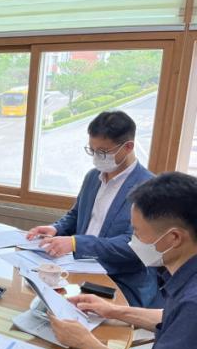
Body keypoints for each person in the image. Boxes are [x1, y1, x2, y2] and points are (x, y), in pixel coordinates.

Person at [43, 172, 197, 349]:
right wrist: (114, 310)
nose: (133, 241)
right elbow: (171, 317)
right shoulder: (188, 274)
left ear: (174, 237)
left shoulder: (193, 299)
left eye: (137, 233)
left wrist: (86, 342)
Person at [27, 111, 157, 307]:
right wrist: (56, 228)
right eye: (92, 150)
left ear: (128, 147)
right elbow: (76, 215)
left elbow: (134, 246)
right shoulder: (92, 177)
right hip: (78, 267)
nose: (97, 157)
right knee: (36, 298)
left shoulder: (149, 188)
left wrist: (76, 243)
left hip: (119, 280)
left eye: (103, 152)